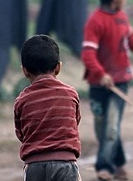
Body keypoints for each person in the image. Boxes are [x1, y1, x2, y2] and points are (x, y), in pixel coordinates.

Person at [81, 0, 133, 181]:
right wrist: (100, 74)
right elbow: (88, 54)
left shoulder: (122, 18)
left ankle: (104, 168)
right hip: (98, 84)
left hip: (120, 82)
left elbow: (131, 36)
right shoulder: (95, 22)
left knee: (111, 125)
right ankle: (119, 163)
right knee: (103, 127)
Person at [14, 34, 82, 181]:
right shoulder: (70, 94)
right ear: (58, 67)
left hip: (34, 167)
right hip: (65, 164)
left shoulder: (22, 100)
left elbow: (21, 134)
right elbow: (74, 123)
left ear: (25, 71)